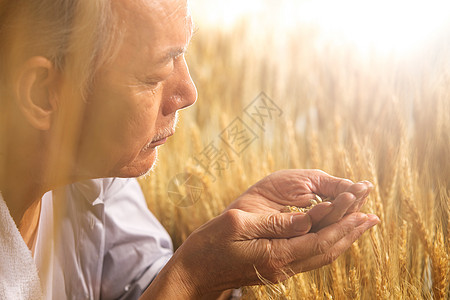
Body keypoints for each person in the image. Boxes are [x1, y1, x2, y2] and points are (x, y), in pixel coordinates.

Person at [0, 0, 380, 299]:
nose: (188, 93)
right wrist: (191, 277)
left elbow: (141, 285)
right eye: (156, 73)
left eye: (181, 54)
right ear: (43, 93)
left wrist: (218, 258)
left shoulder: (95, 173)